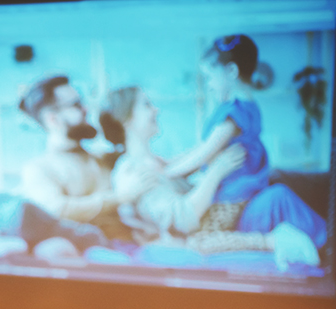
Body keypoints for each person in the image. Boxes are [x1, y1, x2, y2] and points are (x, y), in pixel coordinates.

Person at [101, 86, 321, 269]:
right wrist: (217, 171)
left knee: (277, 194)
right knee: (278, 199)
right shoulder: (133, 172)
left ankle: (330, 249)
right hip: (201, 238)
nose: (156, 110)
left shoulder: (157, 162)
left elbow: (196, 156)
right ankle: (333, 253)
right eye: (146, 105)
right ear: (126, 120)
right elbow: (184, 220)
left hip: (216, 223)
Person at [163, 34, 327, 256]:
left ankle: (274, 243)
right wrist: (168, 162)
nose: (209, 85)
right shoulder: (246, 107)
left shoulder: (235, 114)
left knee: (197, 241)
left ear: (231, 72)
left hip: (233, 197)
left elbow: (204, 152)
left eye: (210, 77)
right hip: (242, 191)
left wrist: (167, 173)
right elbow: (200, 148)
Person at [18, 75, 153, 242]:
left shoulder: (103, 158)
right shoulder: (39, 169)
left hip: (133, 248)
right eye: (76, 105)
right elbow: (56, 209)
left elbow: (158, 168)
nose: (86, 109)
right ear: (53, 119)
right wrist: (119, 197)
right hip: (94, 257)